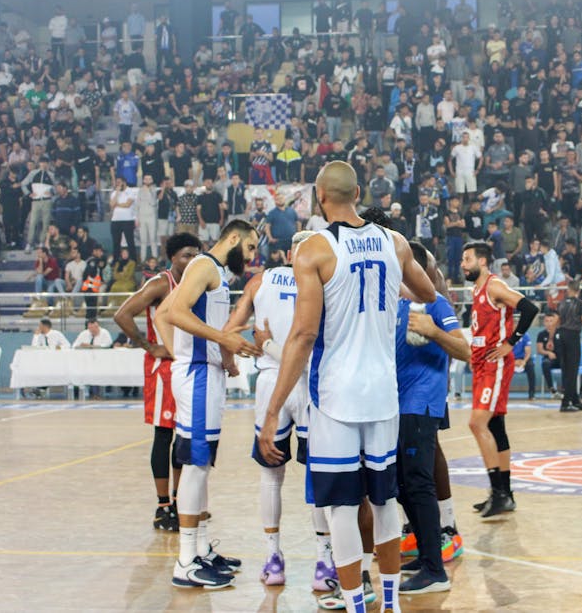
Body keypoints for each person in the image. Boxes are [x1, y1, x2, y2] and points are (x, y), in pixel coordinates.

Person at [258, 161, 436, 613]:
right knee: (385, 500)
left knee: (340, 507)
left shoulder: (314, 250)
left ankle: (358, 605)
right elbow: (429, 293)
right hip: (383, 394)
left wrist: (275, 407)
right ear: (358, 191)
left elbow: (302, 336)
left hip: (336, 397)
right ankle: (392, 604)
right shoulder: (394, 242)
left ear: (320, 198)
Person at [220, 230, 344, 591]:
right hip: (308, 384)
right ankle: (324, 561)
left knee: (270, 475)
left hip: (271, 383)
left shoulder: (260, 281)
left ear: (289, 252)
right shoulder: (326, 282)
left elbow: (230, 330)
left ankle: (273, 558)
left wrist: (234, 359)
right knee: (318, 472)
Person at [155, 219, 262, 589]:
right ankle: (186, 561)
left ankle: (199, 549)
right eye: (249, 248)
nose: (251, 257)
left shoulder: (213, 271)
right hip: (198, 377)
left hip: (207, 373)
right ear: (233, 238)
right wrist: (207, 348)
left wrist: (225, 355)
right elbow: (173, 313)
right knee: (196, 465)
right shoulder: (202, 265)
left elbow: (163, 312)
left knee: (203, 464)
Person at [394, 241, 470, 594]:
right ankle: (426, 555)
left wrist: (433, 331)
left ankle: (434, 571)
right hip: (393, 407)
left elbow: (466, 351)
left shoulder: (436, 305)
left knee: (419, 483)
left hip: (420, 406)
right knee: (403, 486)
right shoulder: (392, 305)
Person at [113, 233, 203, 532]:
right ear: (173, 258)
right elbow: (122, 314)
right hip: (163, 368)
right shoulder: (161, 284)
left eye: (196, 255)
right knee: (164, 437)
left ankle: (180, 502)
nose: (192, 260)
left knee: (184, 438)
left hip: (187, 365)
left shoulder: (197, 283)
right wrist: (149, 345)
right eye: (186, 255)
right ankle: (163, 505)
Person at [463, 241, 540, 518]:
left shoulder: (494, 286)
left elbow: (530, 308)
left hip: (495, 365)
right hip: (482, 364)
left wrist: (511, 342)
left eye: (467, 259)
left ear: (482, 262)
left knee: (476, 423)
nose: (463, 264)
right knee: (496, 426)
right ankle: (505, 494)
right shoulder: (477, 290)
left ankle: (498, 492)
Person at [556, 279, 582, 412]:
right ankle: (566, 402)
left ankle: (575, 400)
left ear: (568, 289)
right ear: (579, 290)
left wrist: (551, 338)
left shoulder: (561, 304)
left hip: (561, 336)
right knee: (572, 371)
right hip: (572, 337)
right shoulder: (579, 304)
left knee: (566, 370)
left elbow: (557, 321)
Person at [536, 312, 561, 396]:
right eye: (547, 321)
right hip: (549, 359)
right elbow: (539, 350)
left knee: (568, 363)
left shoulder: (560, 333)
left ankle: (566, 389)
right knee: (545, 363)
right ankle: (552, 389)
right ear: (544, 322)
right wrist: (548, 353)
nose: (549, 323)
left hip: (560, 358)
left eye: (551, 321)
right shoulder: (541, 334)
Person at [512, 331, 535, 400]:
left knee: (530, 366)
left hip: (523, 358)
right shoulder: (506, 334)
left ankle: (531, 394)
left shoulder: (525, 335)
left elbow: (528, 352)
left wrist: (524, 361)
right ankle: (502, 393)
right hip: (510, 358)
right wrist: (513, 362)